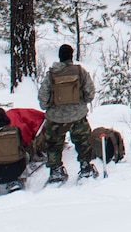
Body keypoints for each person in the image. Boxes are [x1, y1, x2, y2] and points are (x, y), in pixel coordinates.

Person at [37, 42, 100, 182]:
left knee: (53, 144)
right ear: (71, 56)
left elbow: (43, 96)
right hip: (78, 115)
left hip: (56, 117)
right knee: (83, 142)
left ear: (59, 56)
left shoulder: (52, 74)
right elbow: (90, 92)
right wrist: (82, 102)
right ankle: (85, 167)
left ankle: (56, 170)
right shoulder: (80, 71)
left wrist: (48, 107)